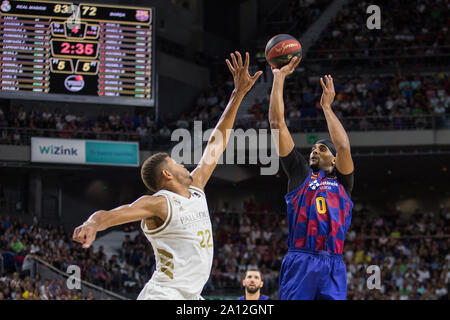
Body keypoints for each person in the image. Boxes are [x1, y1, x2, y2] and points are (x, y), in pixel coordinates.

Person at [73, 51, 262, 300]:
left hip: (191, 296)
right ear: (166, 174)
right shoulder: (158, 203)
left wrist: (238, 95)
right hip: (164, 294)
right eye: (175, 162)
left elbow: (217, 143)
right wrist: (92, 224)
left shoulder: (196, 186)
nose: (183, 165)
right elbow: (114, 214)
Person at [268, 57, 354, 300]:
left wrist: (327, 108)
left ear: (334, 161)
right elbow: (277, 124)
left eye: (322, 149)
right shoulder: (300, 174)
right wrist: (279, 78)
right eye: (313, 148)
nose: (315, 151)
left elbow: (344, 146)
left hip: (334, 263)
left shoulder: (344, 184)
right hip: (301, 259)